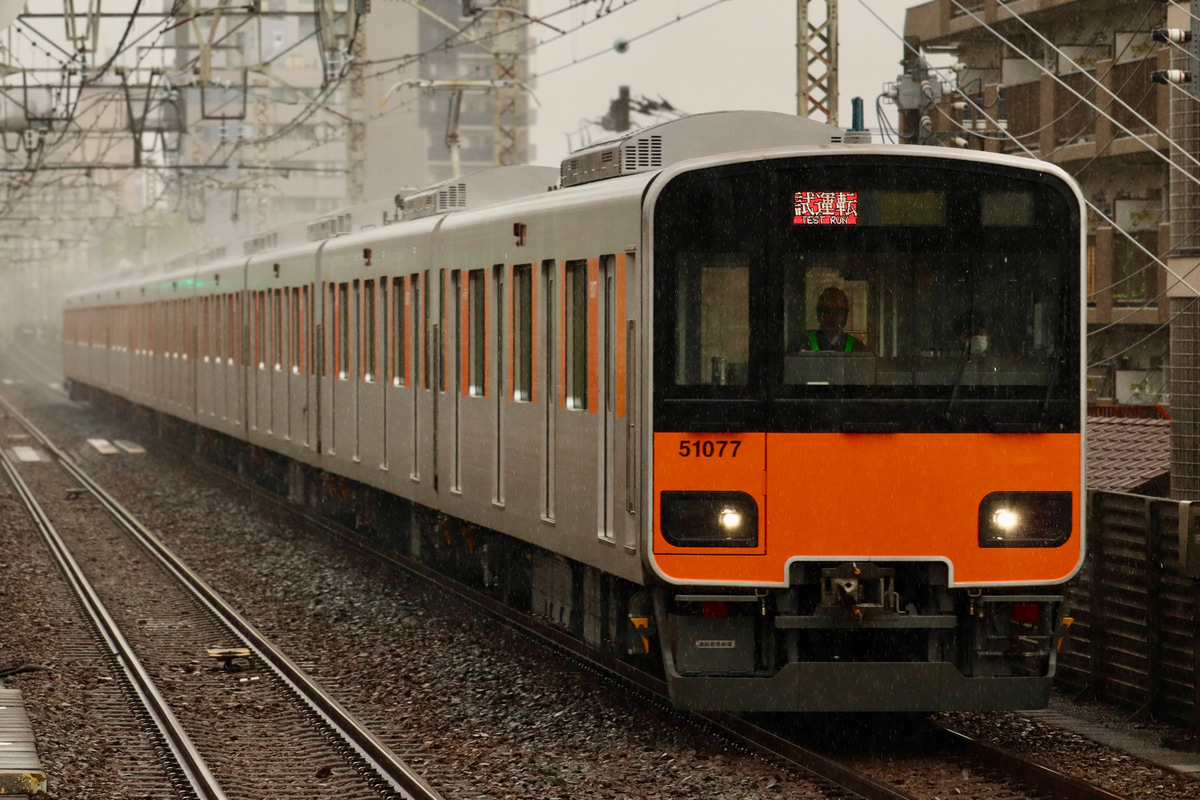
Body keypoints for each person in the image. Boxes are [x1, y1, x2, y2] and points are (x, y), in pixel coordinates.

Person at [803, 286, 866, 353]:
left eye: (837, 311)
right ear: (818, 315)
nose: (831, 316)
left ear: (846, 316)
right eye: (826, 311)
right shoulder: (804, 345)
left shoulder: (858, 347)